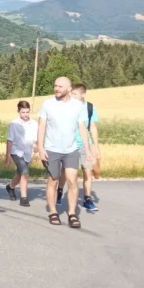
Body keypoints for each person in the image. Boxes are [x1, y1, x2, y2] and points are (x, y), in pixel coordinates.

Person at [37, 77, 96, 228]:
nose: (56, 88)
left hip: (71, 149)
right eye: (55, 85)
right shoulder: (48, 104)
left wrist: (88, 149)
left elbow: (82, 127)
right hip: (52, 149)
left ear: (69, 89)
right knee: (53, 181)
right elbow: (41, 126)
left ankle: (72, 214)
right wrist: (41, 148)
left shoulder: (77, 106)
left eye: (60, 86)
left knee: (72, 180)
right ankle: (53, 212)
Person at [71, 84, 101, 212]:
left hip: (85, 144)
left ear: (83, 94)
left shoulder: (90, 108)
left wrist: (96, 147)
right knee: (69, 174)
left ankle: (87, 199)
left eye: (74, 94)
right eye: (71, 93)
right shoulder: (68, 106)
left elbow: (92, 127)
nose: (72, 96)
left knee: (87, 171)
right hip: (70, 144)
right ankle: (60, 193)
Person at [5, 100, 38, 207]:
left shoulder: (34, 124)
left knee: (20, 174)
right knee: (25, 171)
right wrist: (8, 156)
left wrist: (37, 146)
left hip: (27, 152)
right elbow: (9, 140)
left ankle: (10, 187)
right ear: (18, 111)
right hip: (16, 151)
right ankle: (24, 198)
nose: (25, 114)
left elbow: (36, 139)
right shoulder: (14, 124)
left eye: (27, 112)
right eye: (23, 112)